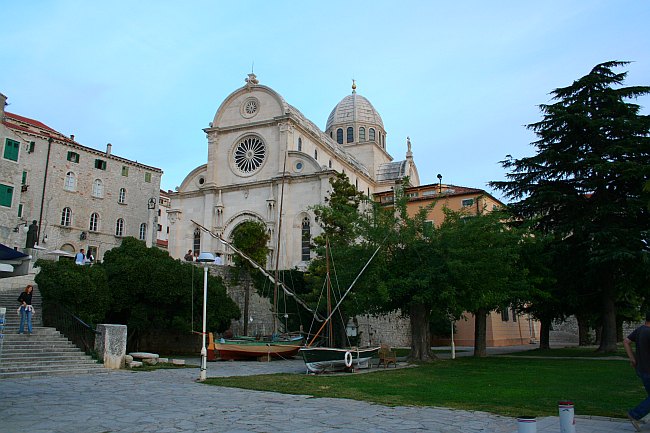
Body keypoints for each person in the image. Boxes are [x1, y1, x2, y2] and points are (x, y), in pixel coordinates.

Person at [624, 312, 650, 431]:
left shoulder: (640, 330)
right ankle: (635, 414)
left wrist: (632, 359)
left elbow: (626, 341)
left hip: (642, 370)